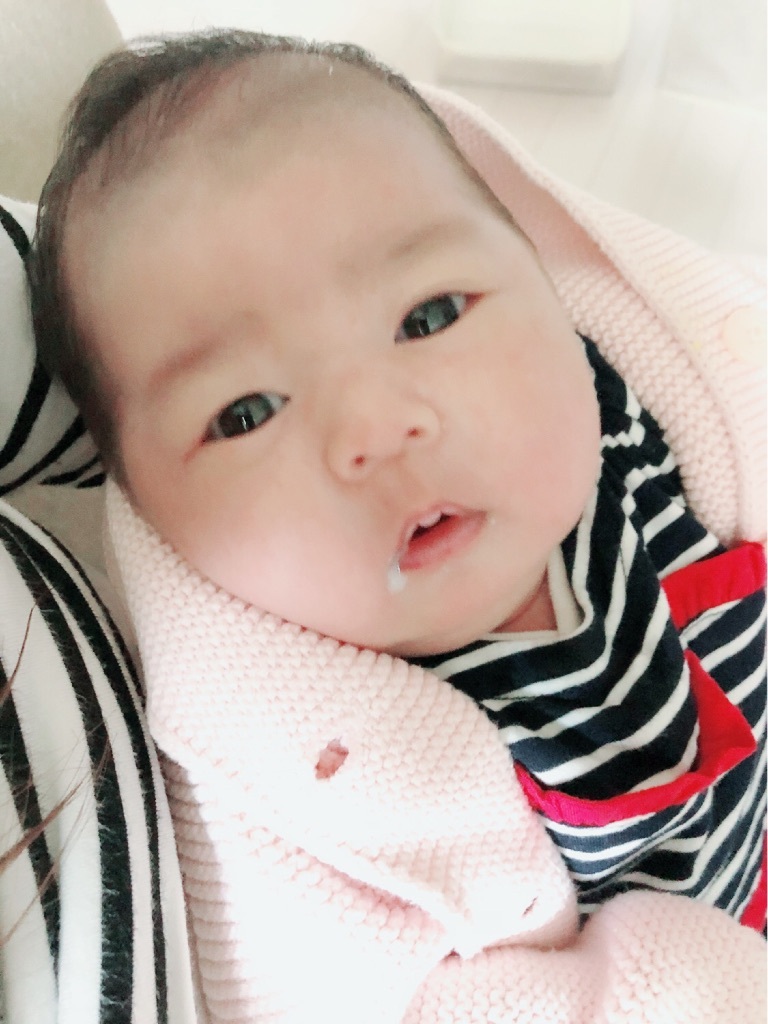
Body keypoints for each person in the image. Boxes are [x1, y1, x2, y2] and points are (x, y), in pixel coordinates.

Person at [26, 29, 766, 1023]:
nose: (376, 430)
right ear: (158, 527)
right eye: (247, 413)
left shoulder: (654, 424)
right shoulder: (293, 794)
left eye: (429, 316)